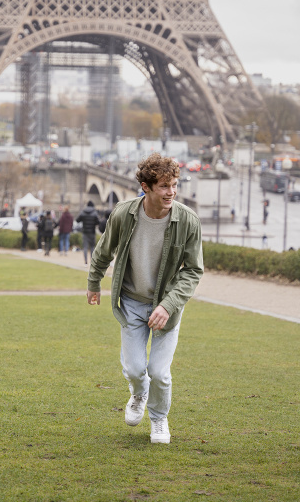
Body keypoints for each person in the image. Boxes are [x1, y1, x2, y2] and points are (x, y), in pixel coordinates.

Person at [86, 153, 203, 444]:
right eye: (164, 186)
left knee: (159, 372)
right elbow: (104, 251)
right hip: (132, 301)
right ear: (145, 187)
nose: (171, 192)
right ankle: (138, 394)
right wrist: (94, 283)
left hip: (167, 307)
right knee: (137, 370)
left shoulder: (187, 220)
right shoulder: (124, 214)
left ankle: (159, 418)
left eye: (174, 185)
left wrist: (168, 304)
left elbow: (193, 271)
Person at [76, 201, 100, 265]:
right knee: (92, 247)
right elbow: (98, 222)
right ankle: (92, 262)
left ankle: (85, 262)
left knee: (85, 247)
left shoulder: (83, 212)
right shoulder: (95, 213)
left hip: (85, 232)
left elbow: (77, 220)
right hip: (92, 232)